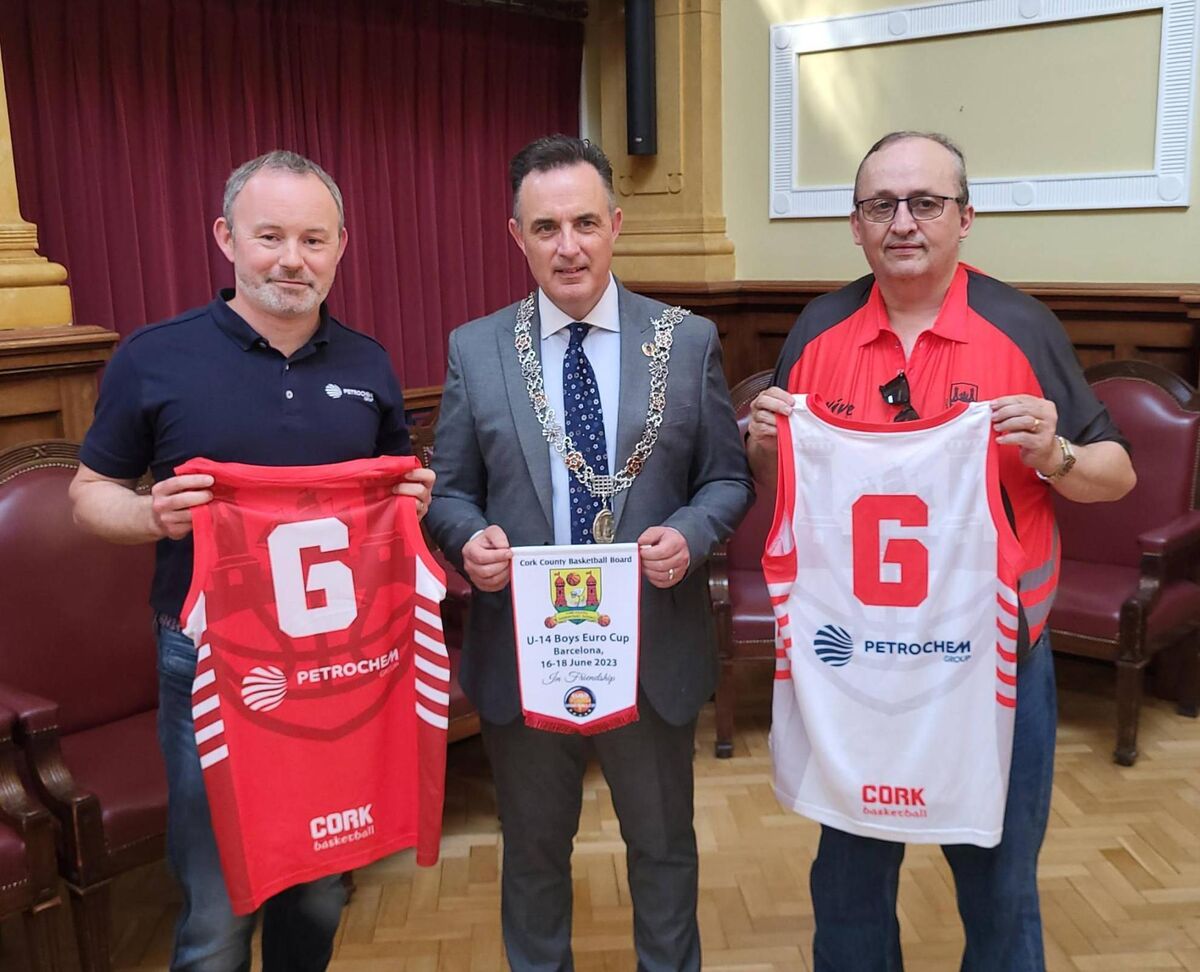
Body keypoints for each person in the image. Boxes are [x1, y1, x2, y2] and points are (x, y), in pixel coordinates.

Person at [746, 131, 1135, 972]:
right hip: (856, 665)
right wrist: (766, 446)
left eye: (925, 203)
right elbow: (777, 481)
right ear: (855, 226)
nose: (903, 222)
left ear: (966, 216)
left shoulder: (1021, 326)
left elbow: (1118, 474)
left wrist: (1057, 455)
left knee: (999, 888)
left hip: (992, 659)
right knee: (846, 887)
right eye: (880, 204)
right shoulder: (818, 332)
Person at [69, 150, 434, 972]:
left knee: (321, 884)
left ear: (342, 245)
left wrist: (412, 502)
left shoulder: (369, 364)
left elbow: (394, 497)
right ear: (225, 239)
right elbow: (89, 491)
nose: (291, 259)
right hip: (208, 658)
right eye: (269, 236)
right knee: (218, 903)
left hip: (341, 662)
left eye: (313, 238)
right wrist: (150, 514)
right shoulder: (154, 357)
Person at [424, 134, 753, 971]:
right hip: (527, 652)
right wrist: (470, 541)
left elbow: (726, 480)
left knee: (664, 850)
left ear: (616, 223)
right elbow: (450, 493)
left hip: (651, 645)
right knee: (534, 857)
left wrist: (690, 533)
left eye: (583, 223)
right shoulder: (477, 348)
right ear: (516, 236)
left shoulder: (686, 341)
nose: (567, 247)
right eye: (545, 229)